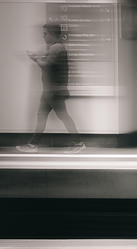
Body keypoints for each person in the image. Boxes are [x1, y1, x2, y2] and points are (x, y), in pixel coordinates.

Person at [17, 24, 85, 153]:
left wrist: (35, 59)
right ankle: (33, 144)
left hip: (54, 91)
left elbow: (47, 65)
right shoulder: (54, 48)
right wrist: (37, 57)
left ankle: (78, 143)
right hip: (50, 91)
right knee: (45, 116)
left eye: (45, 34)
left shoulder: (57, 48)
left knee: (61, 116)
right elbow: (48, 62)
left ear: (53, 34)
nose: (43, 36)